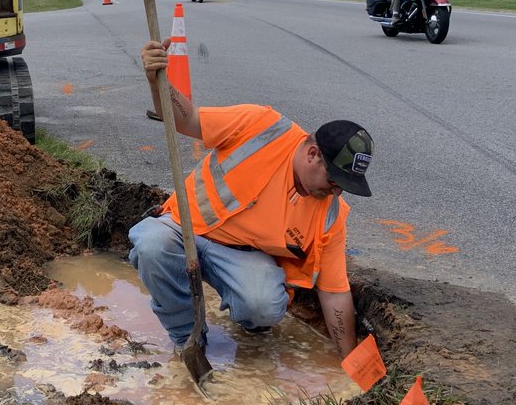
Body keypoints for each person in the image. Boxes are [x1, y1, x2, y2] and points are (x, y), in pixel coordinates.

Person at [128, 37, 373, 360]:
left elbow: (334, 292)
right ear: (313, 154)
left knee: (264, 305)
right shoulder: (262, 126)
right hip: (184, 229)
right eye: (333, 180)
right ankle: (189, 341)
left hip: (241, 258)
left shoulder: (330, 215)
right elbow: (187, 120)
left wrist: (349, 360)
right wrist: (156, 79)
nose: (336, 191)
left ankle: (250, 325)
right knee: (151, 245)